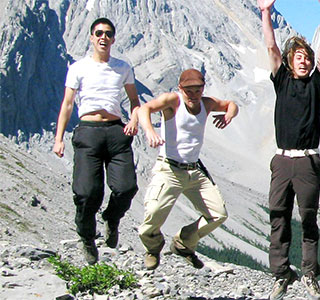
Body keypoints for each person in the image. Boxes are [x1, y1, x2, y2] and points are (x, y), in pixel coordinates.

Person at [257, 0, 320, 298]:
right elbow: (271, 48)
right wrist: (265, 12)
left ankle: (310, 274)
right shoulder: (282, 81)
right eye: (298, 57)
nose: (303, 61)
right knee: (278, 215)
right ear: (290, 62)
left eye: (306, 57)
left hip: (307, 162)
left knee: (308, 219)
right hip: (282, 159)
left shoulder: (317, 83)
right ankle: (280, 274)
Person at [52, 17, 141, 265]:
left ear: (113, 39)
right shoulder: (78, 68)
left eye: (108, 34)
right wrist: (59, 139)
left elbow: (134, 101)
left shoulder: (123, 67)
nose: (103, 37)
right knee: (86, 192)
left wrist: (134, 119)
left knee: (126, 187)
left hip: (116, 130)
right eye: (99, 33)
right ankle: (87, 238)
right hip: (88, 130)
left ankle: (111, 219)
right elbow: (67, 104)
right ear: (92, 37)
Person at [134, 69, 237, 271]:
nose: (193, 95)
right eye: (188, 90)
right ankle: (153, 248)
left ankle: (183, 243)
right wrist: (149, 131)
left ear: (202, 89)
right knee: (153, 212)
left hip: (194, 170)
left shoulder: (206, 104)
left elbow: (232, 105)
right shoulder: (173, 101)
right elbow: (144, 109)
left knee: (218, 213)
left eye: (197, 90)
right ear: (180, 88)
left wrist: (229, 116)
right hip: (169, 169)